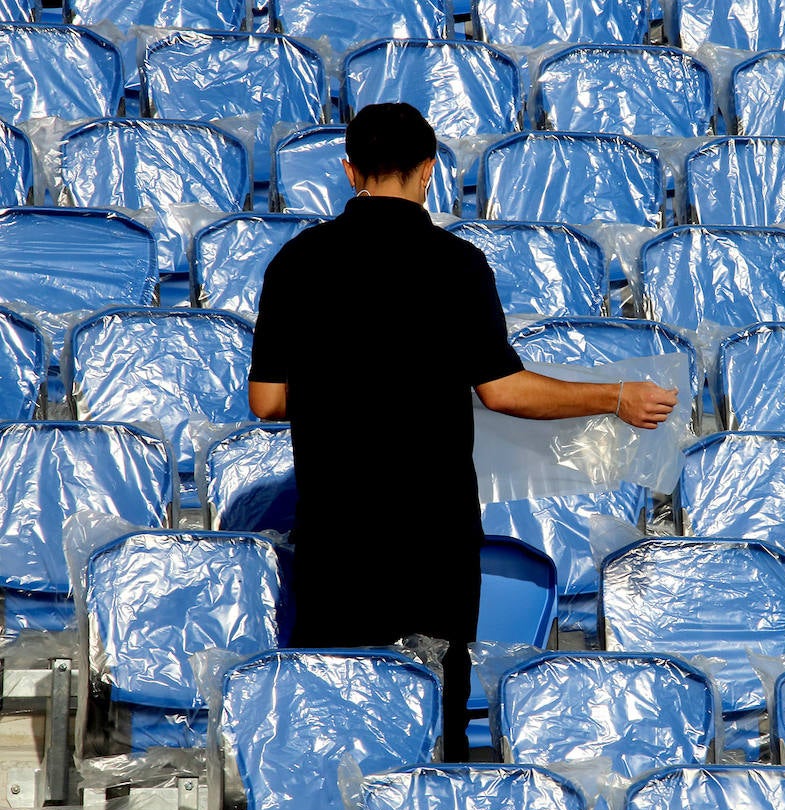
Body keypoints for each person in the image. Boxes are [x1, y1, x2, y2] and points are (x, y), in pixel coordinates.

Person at [247, 101, 678, 760]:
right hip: (433, 540)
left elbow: (267, 401)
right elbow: (503, 391)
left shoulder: (296, 262)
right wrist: (614, 396)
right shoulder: (456, 263)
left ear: (348, 170)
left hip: (336, 533)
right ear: (428, 172)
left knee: (338, 708)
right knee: (433, 711)